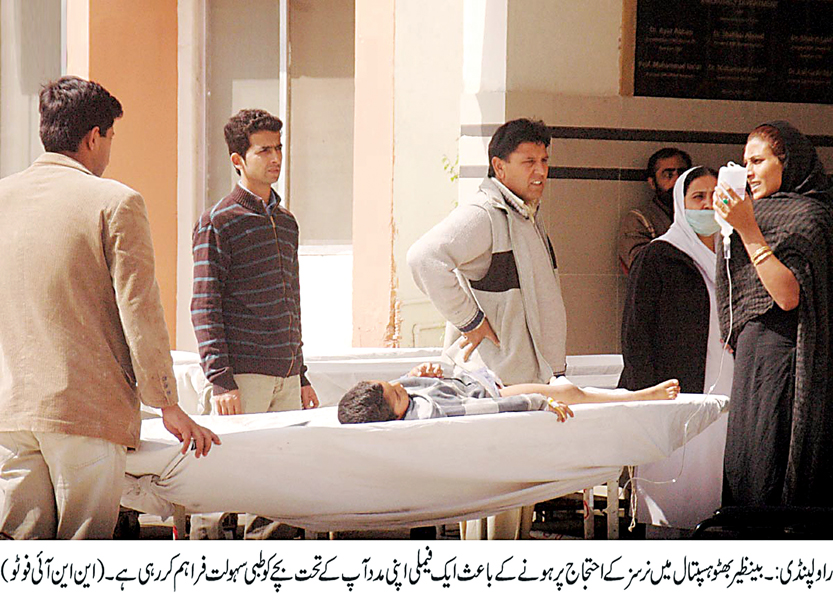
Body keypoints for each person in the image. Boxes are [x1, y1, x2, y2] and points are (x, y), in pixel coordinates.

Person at [0, 76, 219, 540]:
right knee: (84, 551)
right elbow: (140, 310)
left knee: (19, 554)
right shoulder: (115, 202)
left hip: (11, 410)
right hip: (85, 412)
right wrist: (166, 403)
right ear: (92, 137)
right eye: (111, 136)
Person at [190, 108, 318, 539]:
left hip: (285, 375)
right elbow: (204, 305)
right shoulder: (218, 222)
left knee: (280, 491)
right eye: (264, 150)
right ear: (237, 159)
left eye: (279, 148)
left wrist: (301, 373)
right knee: (218, 487)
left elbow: (292, 302)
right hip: (242, 379)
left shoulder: (287, 222)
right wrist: (222, 381)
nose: (276, 157)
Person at [714, 121, 833, 507]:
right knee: (748, 455)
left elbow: (787, 296)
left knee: (776, 454)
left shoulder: (810, 217)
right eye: (744, 162)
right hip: (753, 357)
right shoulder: (756, 214)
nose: (748, 171)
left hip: (790, 354)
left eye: (758, 161)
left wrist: (748, 230)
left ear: (788, 162)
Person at [407, 118, 566, 385]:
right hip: (497, 385)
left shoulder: (526, 213)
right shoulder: (484, 213)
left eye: (544, 161)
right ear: (499, 167)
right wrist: (471, 322)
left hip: (533, 382)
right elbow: (424, 258)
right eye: (529, 162)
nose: (540, 171)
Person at [619, 166, 734, 532]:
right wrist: (646, 396)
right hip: (675, 395)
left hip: (728, 388)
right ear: (680, 205)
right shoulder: (659, 256)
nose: (707, 205)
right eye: (697, 197)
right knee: (673, 493)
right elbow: (636, 332)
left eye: (714, 196)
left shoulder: (736, 256)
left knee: (719, 489)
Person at [338, 362, 680, 424]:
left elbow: (404, 384)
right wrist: (541, 402)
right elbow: (494, 409)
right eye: (396, 393)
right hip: (491, 393)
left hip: (479, 379)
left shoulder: (401, 396)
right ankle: (639, 396)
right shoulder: (428, 414)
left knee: (564, 386)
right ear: (397, 414)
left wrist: (416, 376)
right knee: (570, 392)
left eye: (391, 382)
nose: (399, 386)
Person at [618, 148, 693, 273]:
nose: (677, 181)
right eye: (668, 175)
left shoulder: (704, 215)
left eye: (682, 174)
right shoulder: (639, 219)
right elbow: (642, 267)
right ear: (652, 183)